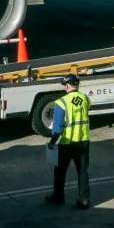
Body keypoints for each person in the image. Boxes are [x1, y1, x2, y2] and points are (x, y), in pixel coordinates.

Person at [45, 76, 92, 209]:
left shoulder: (62, 102)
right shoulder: (85, 99)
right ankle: (84, 200)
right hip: (83, 142)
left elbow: (58, 126)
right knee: (82, 171)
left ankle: (58, 197)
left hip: (67, 143)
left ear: (66, 86)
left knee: (60, 171)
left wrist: (52, 142)